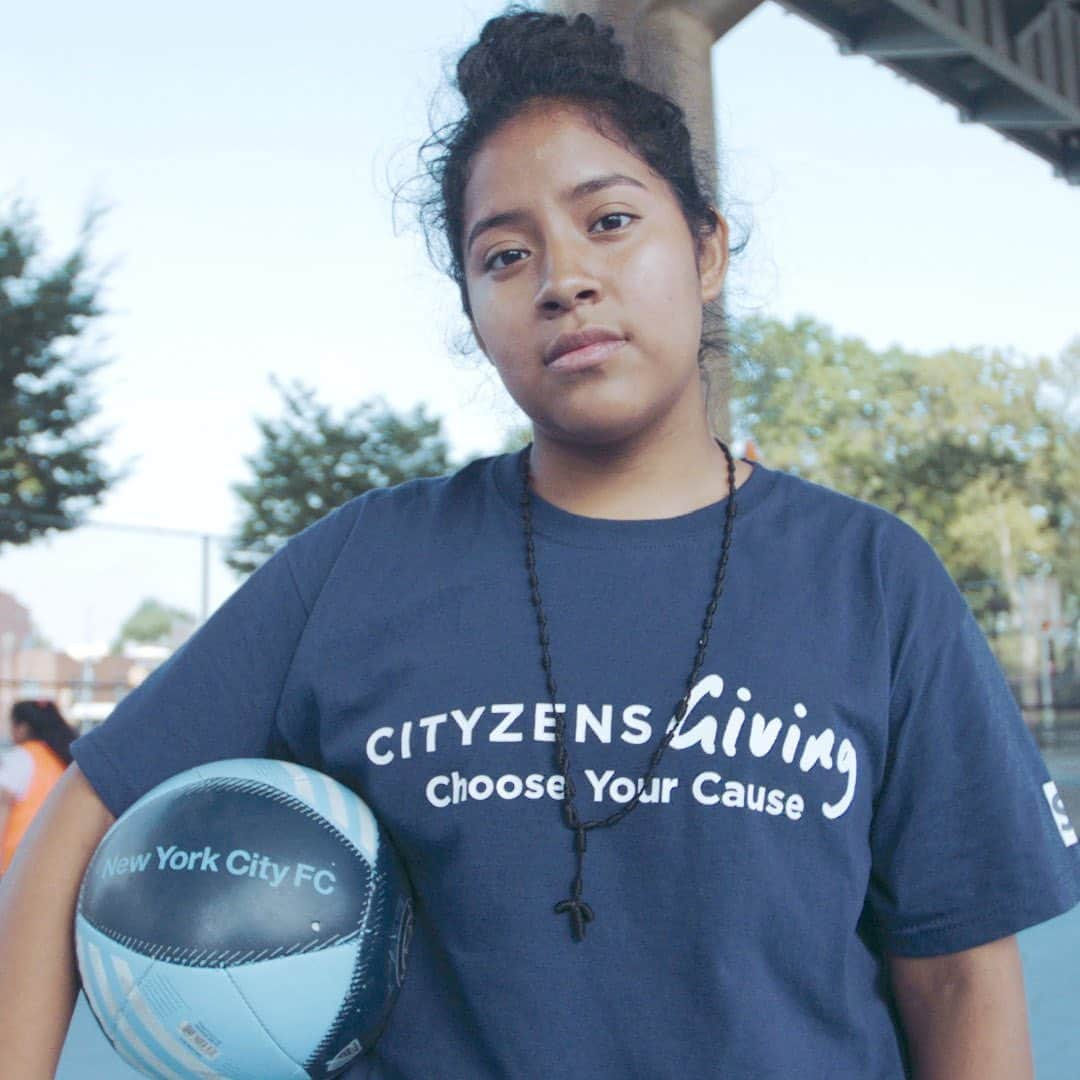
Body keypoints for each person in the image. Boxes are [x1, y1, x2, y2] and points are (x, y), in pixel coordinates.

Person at [1, 7, 1078, 1078]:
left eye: (609, 221)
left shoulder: (873, 580)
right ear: (473, 311)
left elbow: (959, 981)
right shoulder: (364, 563)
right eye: (505, 253)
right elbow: (72, 831)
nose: (563, 278)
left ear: (705, 250)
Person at [0, 700, 77, 874]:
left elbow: (2, 808)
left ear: (23, 727)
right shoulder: (61, 759)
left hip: (14, 862)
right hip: (48, 857)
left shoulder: (21, 757)